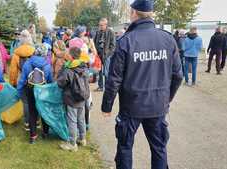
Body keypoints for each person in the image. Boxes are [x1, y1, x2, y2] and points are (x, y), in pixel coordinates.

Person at [101, 0, 183, 168]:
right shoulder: (167, 39)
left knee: (125, 147)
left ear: (134, 13)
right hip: (157, 106)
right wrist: (166, 98)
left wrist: (106, 106)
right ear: (151, 14)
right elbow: (178, 76)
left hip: (132, 107)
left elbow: (114, 79)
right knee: (159, 148)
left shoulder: (126, 41)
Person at [17, 44, 53, 144]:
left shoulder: (27, 63)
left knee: (32, 112)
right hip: (43, 90)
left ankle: (33, 136)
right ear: (45, 54)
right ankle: (45, 132)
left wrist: (19, 92)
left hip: (30, 90)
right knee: (44, 111)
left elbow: (22, 80)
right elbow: (50, 80)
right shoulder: (47, 65)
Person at [57, 47, 90, 152]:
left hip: (72, 99)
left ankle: (72, 143)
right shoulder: (83, 66)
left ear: (71, 56)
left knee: (72, 121)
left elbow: (60, 83)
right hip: (82, 97)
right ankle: (82, 138)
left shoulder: (68, 69)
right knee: (81, 119)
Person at [9, 29, 35, 130]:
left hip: (23, 79)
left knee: (26, 102)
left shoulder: (16, 54)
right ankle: (36, 121)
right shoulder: (34, 51)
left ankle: (27, 123)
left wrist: (13, 82)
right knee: (34, 100)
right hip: (34, 79)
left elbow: (13, 71)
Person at [94, 18, 115, 91]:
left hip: (106, 55)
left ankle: (107, 87)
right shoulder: (98, 32)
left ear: (106, 25)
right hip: (99, 55)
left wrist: (108, 54)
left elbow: (113, 45)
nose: (100, 26)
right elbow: (94, 42)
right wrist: (95, 52)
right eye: (99, 25)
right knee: (99, 71)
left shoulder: (110, 32)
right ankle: (100, 86)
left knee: (106, 72)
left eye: (102, 25)